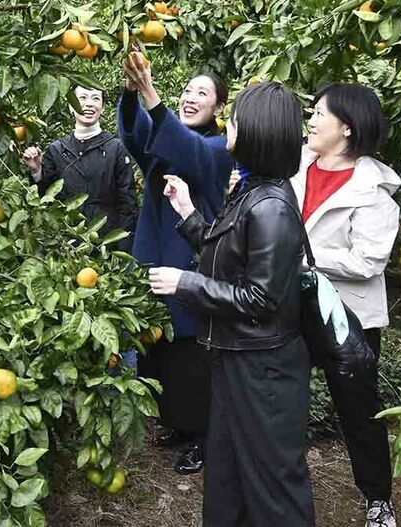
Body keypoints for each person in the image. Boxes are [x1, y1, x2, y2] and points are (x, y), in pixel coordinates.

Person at [149, 82, 314, 526]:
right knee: (228, 475)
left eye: (236, 120)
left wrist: (186, 284)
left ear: (258, 133)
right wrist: (188, 215)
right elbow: (226, 254)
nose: (230, 127)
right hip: (238, 359)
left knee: (272, 486)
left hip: (264, 371)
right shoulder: (252, 192)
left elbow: (259, 297)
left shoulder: (273, 208)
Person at [118, 54, 233, 475]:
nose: (189, 97)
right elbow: (137, 137)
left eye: (201, 93)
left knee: (192, 356)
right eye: (186, 90)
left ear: (218, 107)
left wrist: (151, 94)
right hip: (155, 255)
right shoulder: (168, 142)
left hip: (191, 261)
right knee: (160, 350)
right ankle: (180, 425)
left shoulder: (219, 149)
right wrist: (132, 96)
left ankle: (204, 436)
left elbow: (189, 154)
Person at [294, 83, 401, 527]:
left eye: (320, 113)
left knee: (358, 410)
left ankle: (378, 498)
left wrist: (304, 258)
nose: (312, 120)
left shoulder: (373, 189)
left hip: (347, 314)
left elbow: (368, 260)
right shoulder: (295, 166)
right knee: (282, 395)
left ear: (347, 129)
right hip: (292, 306)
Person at [21, 85, 138, 252]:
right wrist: (36, 171)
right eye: (82, 98)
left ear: (103, 108)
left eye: (95, 98)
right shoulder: (57, 150)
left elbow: (128, 203)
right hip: (67, 243)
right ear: (71, 106)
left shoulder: (115, 148)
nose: (89, 104)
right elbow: (46, 200)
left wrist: (123, 248)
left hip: (107, 244)